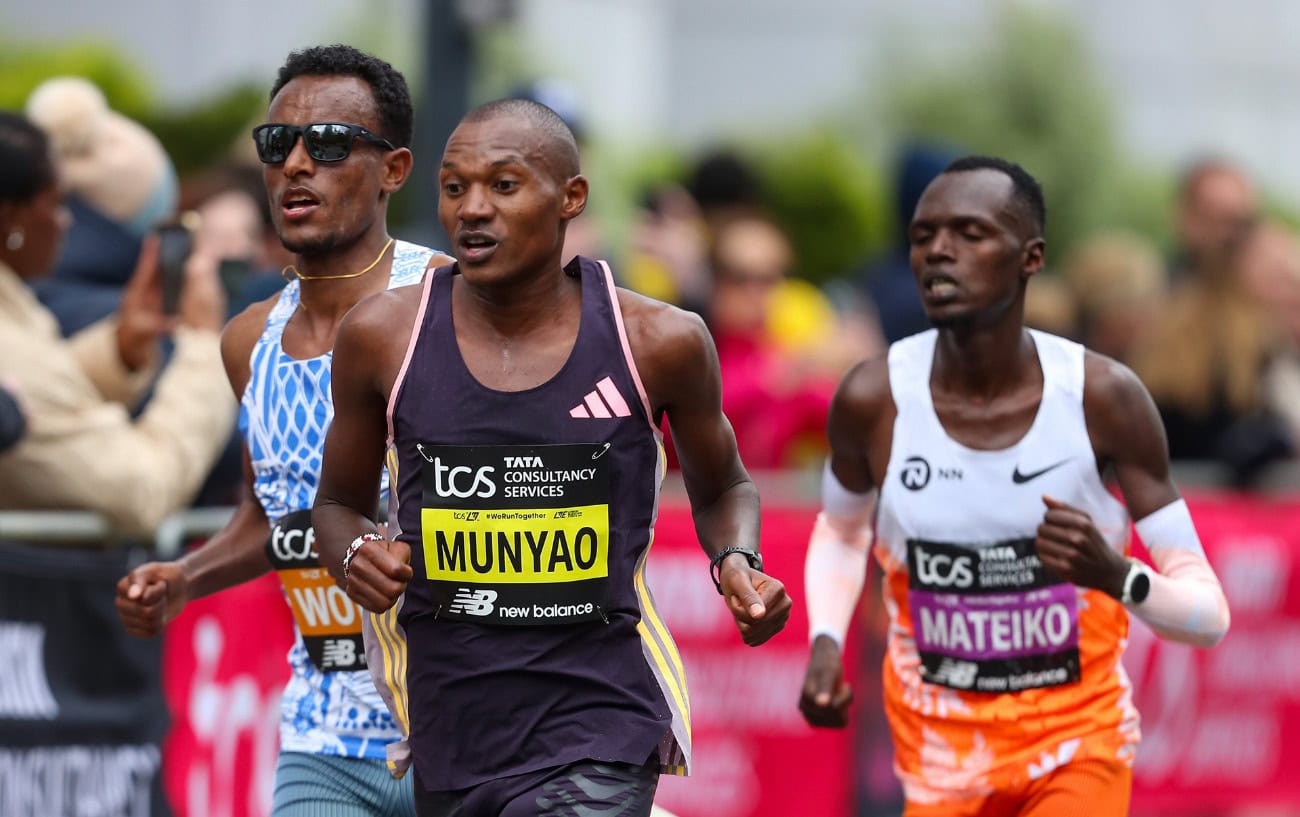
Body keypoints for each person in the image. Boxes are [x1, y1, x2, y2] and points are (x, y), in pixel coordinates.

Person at [311, 98, 791, 817]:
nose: (473, 208)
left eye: (503, 185)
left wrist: (737, 563)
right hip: (451, 717)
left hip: (601, 713)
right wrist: (354, 555)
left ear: (571, 198)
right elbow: (336, 506)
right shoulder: (382, 336)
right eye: (453, 187)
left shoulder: (658, 339)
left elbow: (724, 483)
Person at [798, 156, 1231, 817]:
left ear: (1031, 257)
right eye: (923, 236)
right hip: (943, 757)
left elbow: (1210, 616)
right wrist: (826, 637)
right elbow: (840, 528)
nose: (939, 251)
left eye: (969, 234)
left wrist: (1116, 575)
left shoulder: (1103, 397)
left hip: (1077, 743)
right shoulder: (872, 396)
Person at [115, 45, 450, 816]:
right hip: (323, 736)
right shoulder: (248, 341)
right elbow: (273, 514)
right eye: (278, 144)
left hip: (460, 729)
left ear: (393, 169)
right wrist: (186, 578)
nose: (297, 164)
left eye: (329, 144)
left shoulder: (445, 299)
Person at [0, 110, 233, 536]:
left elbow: (45, 393)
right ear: (12, 217)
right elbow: (142, 489)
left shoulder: (17, 302)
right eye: (55, 203)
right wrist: (204, 344)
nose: (64, 222)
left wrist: (121, 349)